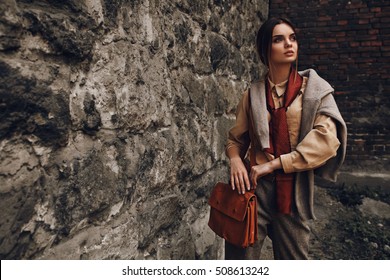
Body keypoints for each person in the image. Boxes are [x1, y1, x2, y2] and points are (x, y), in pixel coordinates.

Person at [225, 17, 347, 259]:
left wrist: (274, 164)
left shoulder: (315, 91)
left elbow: (327, 140)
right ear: (265, 49)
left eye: (292, 38)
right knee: (240, 262)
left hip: (293, 191)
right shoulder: (251, 95)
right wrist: (236, 160)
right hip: (254, 190)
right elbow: (236, 141)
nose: (289, 44)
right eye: (278, 40)